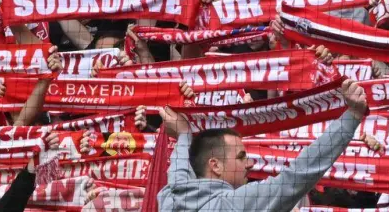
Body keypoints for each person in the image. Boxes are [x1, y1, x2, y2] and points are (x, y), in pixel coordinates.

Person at [157, 80, 370, 212]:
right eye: (241, 157)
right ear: (215, 165)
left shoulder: (171, 198)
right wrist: (351, 117)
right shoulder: (234, 205)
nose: (249, 164)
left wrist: (184, 136)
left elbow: (179, 172)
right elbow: (297, 176)